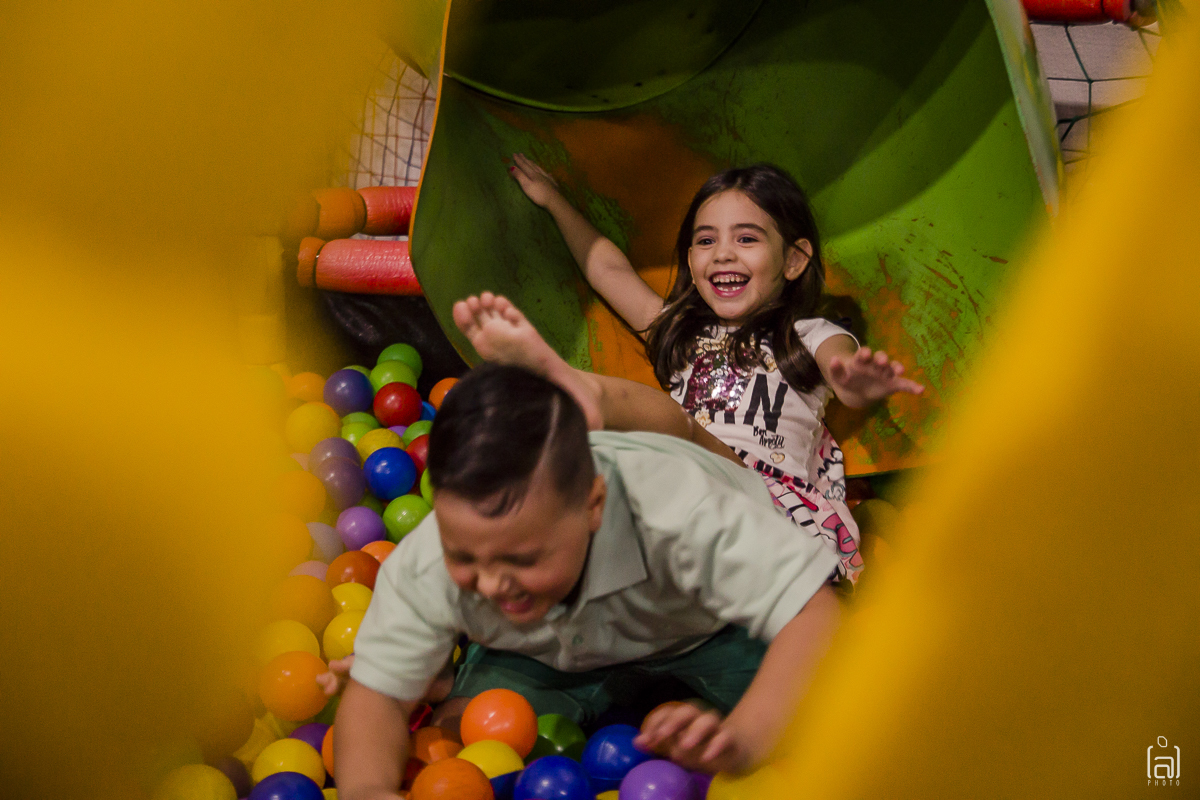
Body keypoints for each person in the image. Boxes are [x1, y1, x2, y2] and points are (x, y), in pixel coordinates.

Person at [334, 365, 841, 799]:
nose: (490, 584)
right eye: (464, 557)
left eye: (521, 558)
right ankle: (441, 669)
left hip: (710, 622)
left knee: (828, 719)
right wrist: (367, 789)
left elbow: (814, 614)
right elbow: (376, 697)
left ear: (593, 506)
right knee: (461, 736)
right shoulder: (432, 558)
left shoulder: (676, 513)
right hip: (543, 647)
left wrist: (745, 738)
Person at [507, 156, 925, 587]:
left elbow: (843, 371)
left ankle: (573, 389)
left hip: (764, 502)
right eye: (706, 241)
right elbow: (609, 271)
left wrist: (858, 382)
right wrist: (553, 200)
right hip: (685, 494)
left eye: (746, 238)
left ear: (794, 260)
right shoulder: (680, 333)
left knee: (675, 428)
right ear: (691, 262)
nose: (723, 253)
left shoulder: (810, 334)